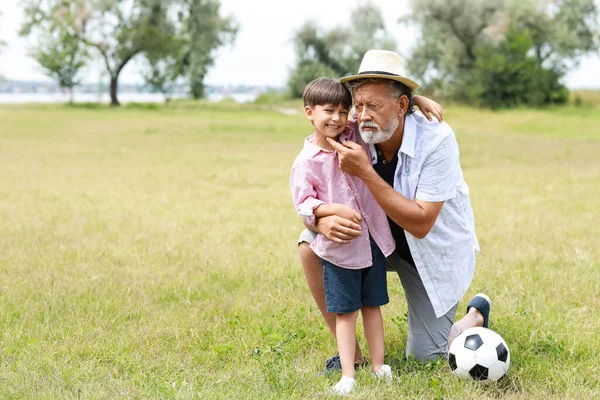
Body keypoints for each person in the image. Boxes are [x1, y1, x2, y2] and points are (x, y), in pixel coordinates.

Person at [297, 50, 491, 370]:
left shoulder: (438, 139)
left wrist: (366, 173)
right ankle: (352, 357)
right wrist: (320, 219)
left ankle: (475, 315)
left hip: (429, 253)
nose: (363, 115)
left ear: (401, 106)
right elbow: (321, 126)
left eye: (373, 106)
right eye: (358, 105)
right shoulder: (358, 128)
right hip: (378, 241)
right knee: (309, 245)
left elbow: (421, 223)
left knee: (428, 357)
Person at [290, 77, 396, 395]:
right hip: (339, 250)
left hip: (371, 242)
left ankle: (379, 366)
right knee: (345, 312)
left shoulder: (353, 135)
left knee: (373, 305)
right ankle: (348, 373)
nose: (336, 118)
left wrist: (420, 101)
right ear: (309, 112)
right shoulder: (306, 162)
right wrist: (330, 209)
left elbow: (369, 109)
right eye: (327, 111)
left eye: (342, 110)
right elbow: (304, 204)